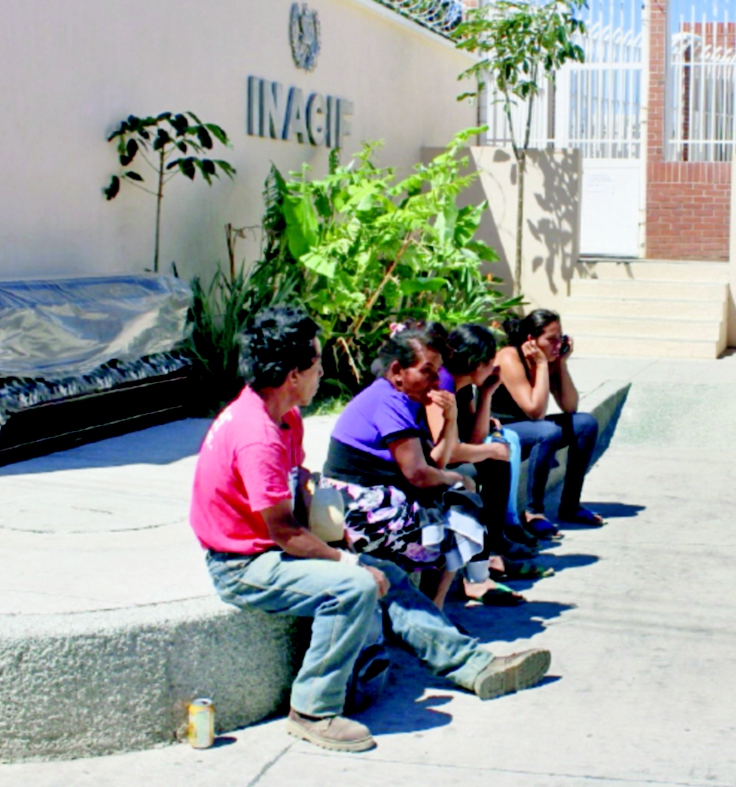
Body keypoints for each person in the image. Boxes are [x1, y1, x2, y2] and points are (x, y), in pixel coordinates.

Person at [191, 306, 551, 753]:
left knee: (390, 575)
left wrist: (323, 512)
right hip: (243, 564)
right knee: (355, 584)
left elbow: (294, 482)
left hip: (268, 549)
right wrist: (348, 560)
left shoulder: (284, 417)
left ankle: (472, 665)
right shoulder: (256, 433)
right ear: (292, 375)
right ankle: (312, 710)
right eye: (318, 364)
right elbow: (284, 532)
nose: (323, 373)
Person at [321, 324, 482, 609]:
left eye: (438, 372)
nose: (435, 380)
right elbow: (419, 474)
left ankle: (434, 608)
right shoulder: (389, 401)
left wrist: (451, 418)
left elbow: (436, 462)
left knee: (459, 492)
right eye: (426, 371)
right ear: (397, 372)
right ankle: (434, 611)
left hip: (372, 498)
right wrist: (455, 479)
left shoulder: (405, 400)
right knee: (461, 505)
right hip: (358, 511)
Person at [426, 323, 551, 606]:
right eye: (490, 362)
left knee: (495, 462)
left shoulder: (465, 387)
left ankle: (493, 551)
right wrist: (489, 449)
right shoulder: (441, 383)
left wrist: (486, 395)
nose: (495, 367)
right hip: (425, 462)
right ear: (478, 363)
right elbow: (446, 451)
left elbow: (475, 437)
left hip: (443, 457)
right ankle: (476, 576)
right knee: (475, 469)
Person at [492, 309, 604, 539]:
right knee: (547, 431)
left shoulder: (549, 359)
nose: (558, 344)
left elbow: (570, 406)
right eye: (551, 339)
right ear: (531, 340)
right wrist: (542, 367)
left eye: (561, 338)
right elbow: (535, 411)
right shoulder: (509, 357)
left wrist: (560, 363)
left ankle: (570, 505)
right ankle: (533, 513)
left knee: (586, 424)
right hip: (502, 430)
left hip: (533, 427)